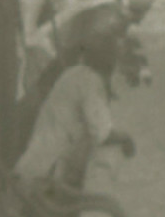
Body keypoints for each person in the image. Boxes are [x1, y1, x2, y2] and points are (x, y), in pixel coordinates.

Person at [14, 29, 136, 193]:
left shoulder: (74, 73)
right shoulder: (91, 83)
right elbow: (102, 132)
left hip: (36, 161)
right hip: (45, 170)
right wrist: (126, 138)